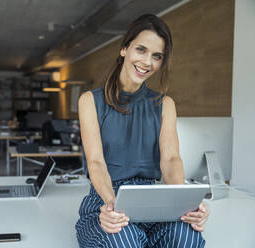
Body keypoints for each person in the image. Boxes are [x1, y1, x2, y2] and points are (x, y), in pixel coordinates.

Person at [75, 14, 209, 248]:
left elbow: (170, 159)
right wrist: (111, 204)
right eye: (141, 50)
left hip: (152, 200)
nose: (148, 62)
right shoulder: (89, 101)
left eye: (157, 56)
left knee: (187, 236)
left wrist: (184, 204)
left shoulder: (165, 104)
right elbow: (95, 162)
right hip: (106, 198)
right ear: (124, 49)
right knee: (122, 240)